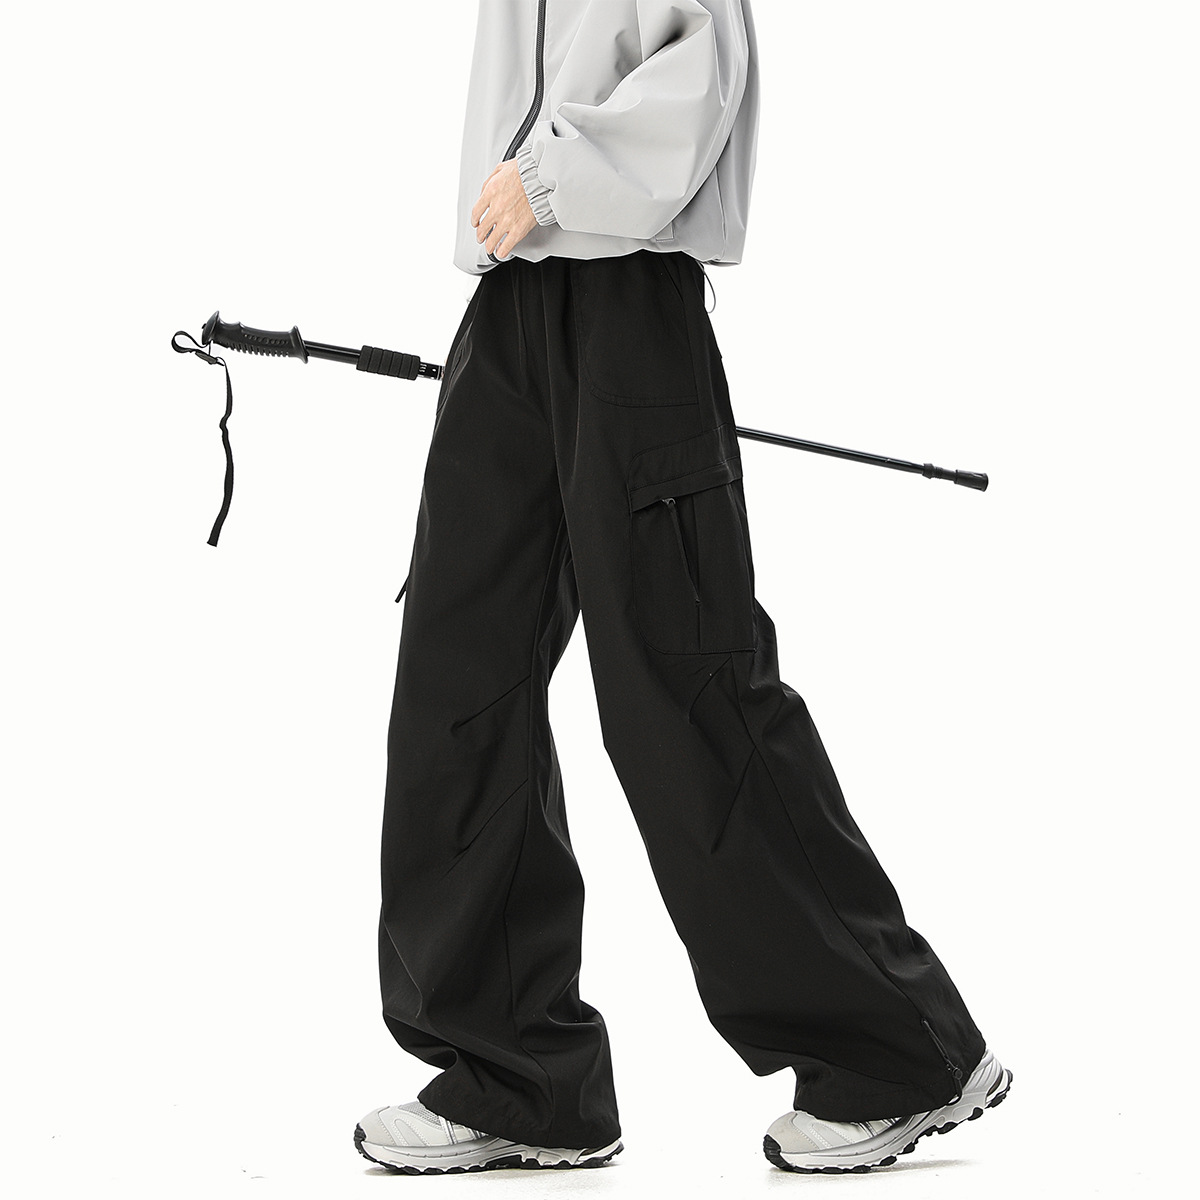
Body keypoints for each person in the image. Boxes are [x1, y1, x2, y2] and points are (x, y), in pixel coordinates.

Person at [354, 0, 1010, 1176]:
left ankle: (898, 1053)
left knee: (682, 686)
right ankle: (519, 1078)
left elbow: (703, 71)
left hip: (630, 304)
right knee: (461, 674)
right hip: (513, 306)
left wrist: (547, 179)